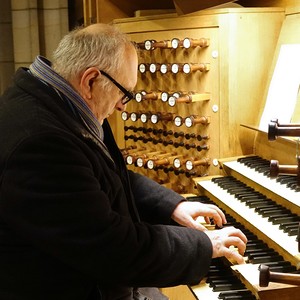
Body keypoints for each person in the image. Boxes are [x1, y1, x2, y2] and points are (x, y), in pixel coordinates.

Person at [0, 23, 247, 300]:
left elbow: (107, 176)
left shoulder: (61, 102)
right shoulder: (42, 142)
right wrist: (202, 245)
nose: (123, 106)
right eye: (124, 93)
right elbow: (113, 250)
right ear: (91, 80)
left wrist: (173, 205)